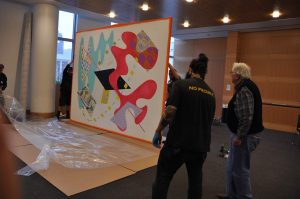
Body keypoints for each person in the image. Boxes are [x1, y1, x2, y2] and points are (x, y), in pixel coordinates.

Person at [152, 53, 216, 199]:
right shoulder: (211, 93)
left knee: (163, 177)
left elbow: (170, 112)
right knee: (195, 183)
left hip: (178, 144)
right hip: (200, 146)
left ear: (190, 69)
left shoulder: (181, 86)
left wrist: (158, 131)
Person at [217, 63, 264, 199]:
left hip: (245, 136)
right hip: (242, 134)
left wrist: (239, 136)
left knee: (240, 169)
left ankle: (244, 196)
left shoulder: (244, 89)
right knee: (232, 166)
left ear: (237, 75)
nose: (230, 74)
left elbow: (246, 116)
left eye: (232, 72)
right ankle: (231, 194)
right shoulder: (244, 87)